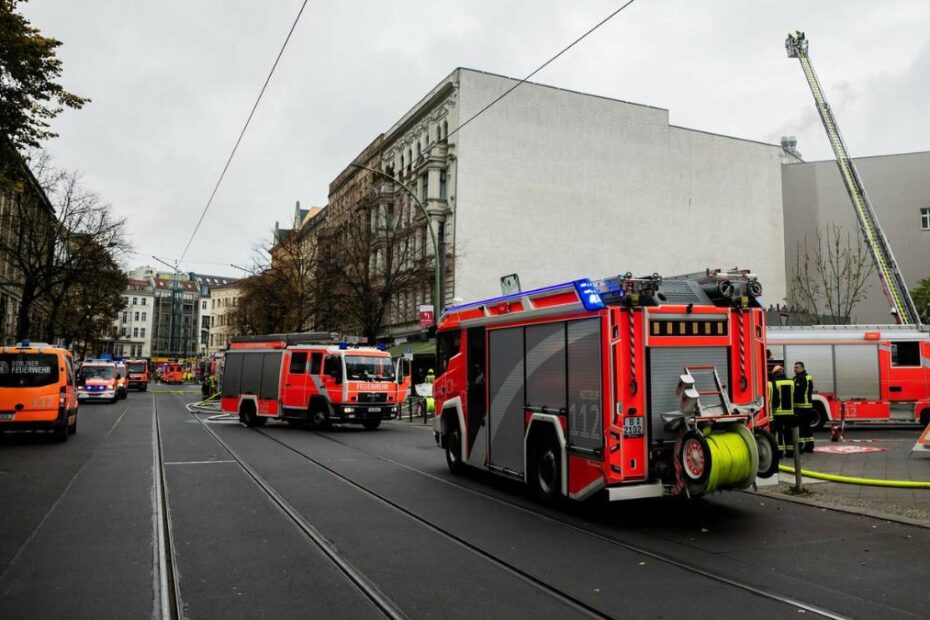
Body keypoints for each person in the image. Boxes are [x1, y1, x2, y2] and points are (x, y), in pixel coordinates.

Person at [769, 365, 796, 456]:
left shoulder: (774, 383)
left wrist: (773, 409)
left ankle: (780, 452)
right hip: (790, 412)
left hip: (778, 412)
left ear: (775, 373)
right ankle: (790, 451)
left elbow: (775, 399)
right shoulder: (791, 382)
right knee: (788, 432)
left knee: (779, 433)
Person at [793, 361, 815, 453]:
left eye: (797, 367)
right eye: (794, 367)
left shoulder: (802, 378)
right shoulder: (798, 378)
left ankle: (800, 446)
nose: (794, 369)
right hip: (805, 407)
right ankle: (809, 446)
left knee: (801, 428)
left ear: (802, 368)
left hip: (802, 407)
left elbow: (798, 392)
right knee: (806, 427)